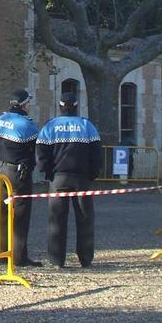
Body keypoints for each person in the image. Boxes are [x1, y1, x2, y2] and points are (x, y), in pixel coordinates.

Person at [37, 91, 103, 269]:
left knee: (56, 220)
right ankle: (86, 259)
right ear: (76, 106)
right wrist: (92, 174)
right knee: (85, 219)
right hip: (82, 179)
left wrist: (47, 174)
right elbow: (97, 154)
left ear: (59, 106)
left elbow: (41, 153)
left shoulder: (50, 126)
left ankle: (57, 260)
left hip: (58, 178)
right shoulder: (87, 126)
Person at [0, 89, 42, 267]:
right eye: (28, 102)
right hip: (19, 174)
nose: (29, 105)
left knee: (4, 214)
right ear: (23, 104)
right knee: (20, 215)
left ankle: (3, 255)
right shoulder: (27, 124)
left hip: (1, 170)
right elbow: (37, 146)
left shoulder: (2, 119)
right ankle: (19, 257)